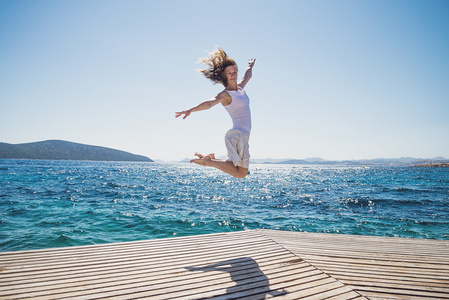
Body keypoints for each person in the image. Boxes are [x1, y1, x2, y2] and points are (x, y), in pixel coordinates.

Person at [175, 47, 256, 179]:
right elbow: (209, 103)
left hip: (241, 135)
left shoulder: (239, 88)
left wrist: (250, 66)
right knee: (240, 173)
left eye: (235, 71)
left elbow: (248, 76)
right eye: (229, 73)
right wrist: (191, 110)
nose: (233, 74)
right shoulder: (225, 95)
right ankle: (209, 162)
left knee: (236, 169)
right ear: (224, 76)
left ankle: (211, 159)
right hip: (238, 135)